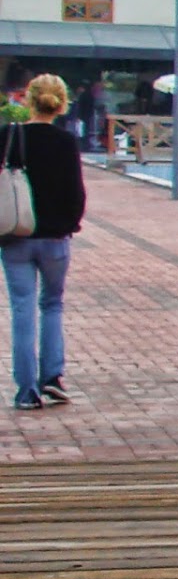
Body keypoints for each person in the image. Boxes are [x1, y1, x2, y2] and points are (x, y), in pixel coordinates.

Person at [1, 74, 86, 410]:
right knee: (52, 304)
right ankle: (52, 376)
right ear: (61, 103)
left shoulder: (9, 136)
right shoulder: (65, 143)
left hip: (15, 235)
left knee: (22, 310)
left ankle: (26, 392)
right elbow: (76, 194)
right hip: (55, 238)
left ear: (28, 100)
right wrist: (69, 224)